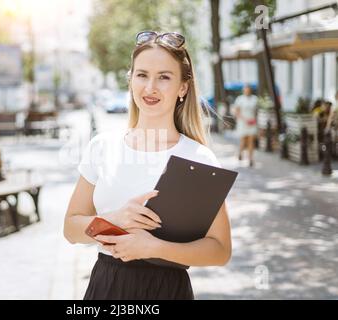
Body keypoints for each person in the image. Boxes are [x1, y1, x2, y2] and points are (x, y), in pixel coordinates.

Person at [64, 31, 232, 300]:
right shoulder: (102, 146)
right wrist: (113, 219)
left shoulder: (198, 158)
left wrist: (153, 247)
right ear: (131, 80)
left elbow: (220, 250)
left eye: (164, 77)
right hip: (107, 285)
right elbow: (71, 229)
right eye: (142, 75)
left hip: (167, 289)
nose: (150, 87)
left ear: (183, 88)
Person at [233, 85, 258, 167]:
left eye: (248, 90)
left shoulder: (255, 99)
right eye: (245, 90)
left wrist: (254, 120)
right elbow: (237, 112)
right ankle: (240, 152)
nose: (247, 91)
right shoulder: (240, 99)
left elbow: (256, 112)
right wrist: (245, 120)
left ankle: (250, 159)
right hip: (243, 122)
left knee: (251, 140)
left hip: (252, 122)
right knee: (243, 140)